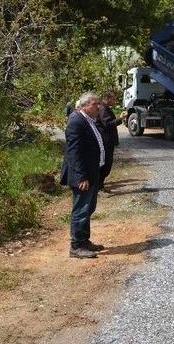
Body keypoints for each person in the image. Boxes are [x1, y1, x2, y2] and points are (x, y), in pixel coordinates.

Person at [60, 92, 106, 259]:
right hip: (82, 176)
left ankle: (84, 241)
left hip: (91, 172)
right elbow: (74, 152)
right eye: (95, 104)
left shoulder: (88, 119)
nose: (98, 106)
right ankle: (76, 246)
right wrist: (81, 177)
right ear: (85, 105)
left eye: (98, 103)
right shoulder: (76, 121)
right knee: (81, 209)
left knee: (88, 208)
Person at [97, 91, 123, 189]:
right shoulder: (103, 109)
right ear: (107, 99)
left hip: (107, 140)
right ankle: (99, 185)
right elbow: (108, 124)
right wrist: (120, 118)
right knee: (106, 164)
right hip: (106, 140)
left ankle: (100, 185)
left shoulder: (105, 108)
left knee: (107, 163)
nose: (114, 101)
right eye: (113, 99)